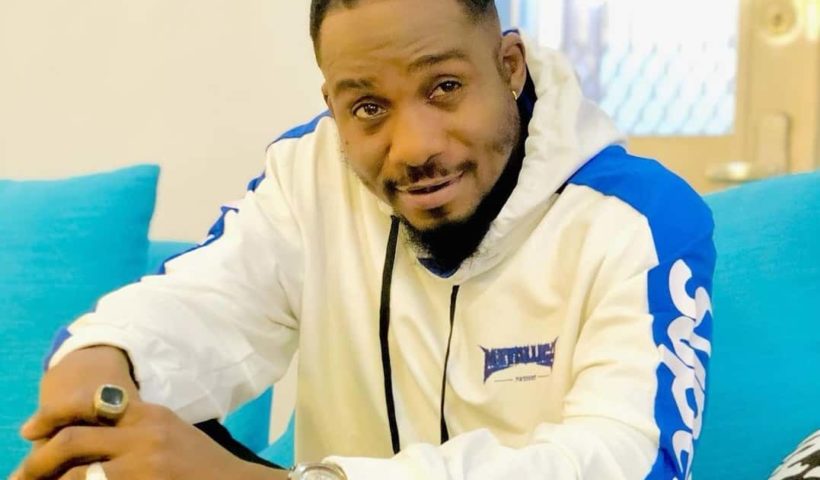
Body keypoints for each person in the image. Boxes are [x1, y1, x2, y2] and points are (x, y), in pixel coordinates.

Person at [14, 0, 716, 479]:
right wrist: (104, 367)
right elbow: (199, 306)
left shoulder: (640, 220)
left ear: (510, 66)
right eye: (369, 107)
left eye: (444, 87)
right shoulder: (308, 173)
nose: (413, 147)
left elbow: (628, 460)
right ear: (332, 104)